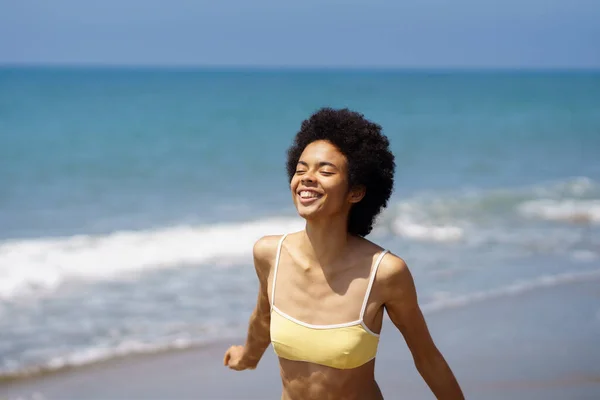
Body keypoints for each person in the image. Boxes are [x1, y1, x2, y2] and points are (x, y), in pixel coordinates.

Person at [223, 108, 464, 399]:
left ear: (356, 192)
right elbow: (263, 317)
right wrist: (247, 357)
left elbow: (427, 358)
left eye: (325, 171)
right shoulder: (269, 253)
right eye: (301, 170)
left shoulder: (385, 272)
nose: (307, 179)